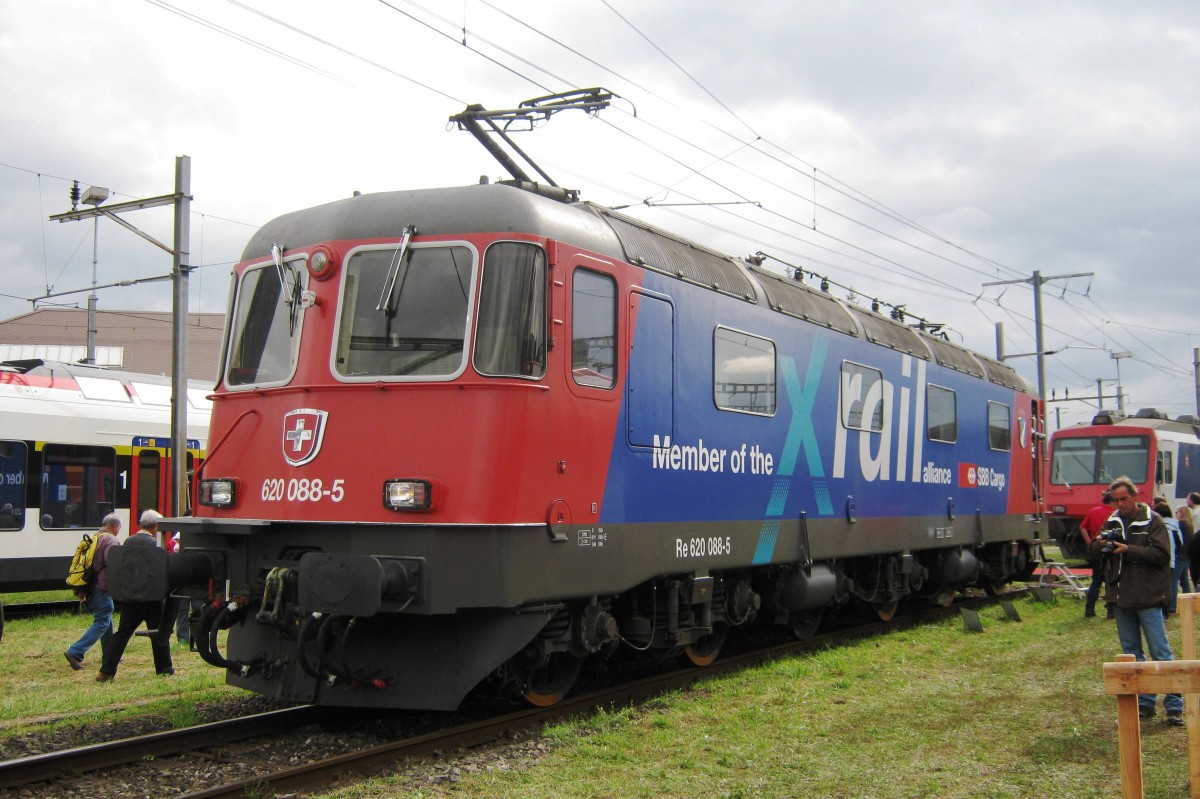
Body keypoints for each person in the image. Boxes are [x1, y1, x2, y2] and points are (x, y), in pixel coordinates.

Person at [1091, 476, 1183, 726]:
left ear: (1135, 496)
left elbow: (1162, 555)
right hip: (1121, 599)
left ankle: (1174, 705)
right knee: (1131, 655)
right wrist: (1099, 545)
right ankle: (1145, 703)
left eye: (1124, 499)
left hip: (1148, 597)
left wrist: (1128, 550)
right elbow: (1094, 555)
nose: (1120, 504)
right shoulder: (1112, 521)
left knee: (1161, 653)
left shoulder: (1153, 520)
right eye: (1116, 500)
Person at [96, 510, 174, 681]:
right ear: (156, 526)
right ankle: (165, 668)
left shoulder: (128, 540)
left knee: (122, 633)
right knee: (159, 633)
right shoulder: (155, 543)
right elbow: (159, 572)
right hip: (151, 597)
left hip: (130, 595)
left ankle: (106, 671)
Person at [64, 513, 122, 671]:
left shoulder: (93, 538)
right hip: (102, 587)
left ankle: (111, 655)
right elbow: (113, 563)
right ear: (115, 527)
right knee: (102, 622)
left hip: (90, 586)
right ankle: (75, 651)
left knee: (106, 620)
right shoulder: (110, 540)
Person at [1079, 491, 1114, 618]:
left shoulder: (1093, 511)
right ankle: (1111, 611)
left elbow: (1082, 527)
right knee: (1111, 581)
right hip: (1111, 550)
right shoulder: (1114, 514)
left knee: (1096, 581)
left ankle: (1089, 609)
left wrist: (1090, 542)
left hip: (1096, 550)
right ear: (1112, 501)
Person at [1155, 500, 1188, 617]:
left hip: (1157, 559)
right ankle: (1167, 611)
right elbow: (1180, 542)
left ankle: (1159, 609)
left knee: (1158, 586)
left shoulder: (1155, 524)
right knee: (1169, 586)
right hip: (1172, 560)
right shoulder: (1175, 525)